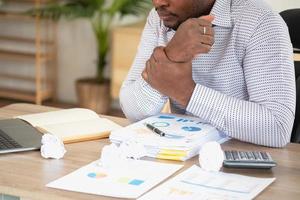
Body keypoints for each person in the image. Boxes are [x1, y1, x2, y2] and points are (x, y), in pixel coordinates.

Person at [119, 0, 295, 147]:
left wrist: (187, 93)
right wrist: (171, 54)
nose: (158, 2)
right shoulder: (160, 18)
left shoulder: (260, 20)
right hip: (186, 153)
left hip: (243, 162)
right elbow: (133, 112)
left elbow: (277, 127)